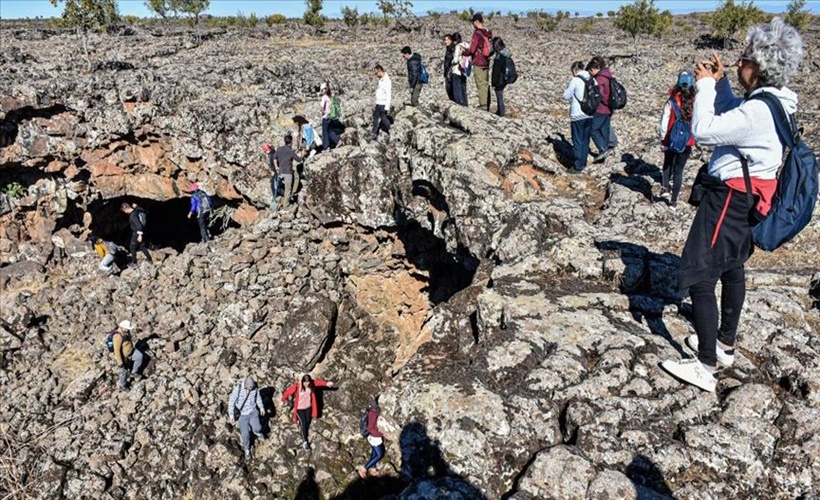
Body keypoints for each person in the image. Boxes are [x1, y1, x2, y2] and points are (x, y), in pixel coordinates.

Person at [661, 18, 804, 392]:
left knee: (700, 270)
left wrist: (705, 84)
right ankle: (725, 344)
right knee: (732, 266)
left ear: (758, 67)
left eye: (743, 58)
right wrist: (722, 84)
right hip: (751, 200)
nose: (739, 62)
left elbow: (706, 130)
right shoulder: (774, 103)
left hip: (730, 198)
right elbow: (732, 116)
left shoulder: (758, 112)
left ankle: (706, 363)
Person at [658, 70, 697, 208]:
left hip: (671, 138)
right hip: (687, 141)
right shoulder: (695, 102)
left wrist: (663, 138)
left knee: (667, 164)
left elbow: (664, 121)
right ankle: (674, 202)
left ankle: (665, 188)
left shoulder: (672, 100)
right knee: (679, 171)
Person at [281, 374, 333, 451]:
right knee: (304, 423)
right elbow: (288, 391)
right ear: (302, 382)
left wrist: (327, 384)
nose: (307, 384)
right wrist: (283, 399)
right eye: (305, 382)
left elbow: (318, 382)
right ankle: (305, 442)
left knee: (307, 422)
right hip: (299, 409)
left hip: (308, 407)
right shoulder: (297, 386)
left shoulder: (311, 384)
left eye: (308, 382)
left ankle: (303, 429)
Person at [562, 61, 594, 173]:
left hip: (577, 114)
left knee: (577, 141)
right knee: (585, 140)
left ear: (574, 70)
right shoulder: (592, 79)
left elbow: (566, 96)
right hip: (590, 114)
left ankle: (577, 166)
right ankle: (583, 162)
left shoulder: (575, 80)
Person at [228, 376, 266, 461]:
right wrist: (231, 416)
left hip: (253, 411)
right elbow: (231, 402)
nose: (250, 390)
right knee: (245, 435)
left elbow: (257, 397)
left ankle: (258, 433)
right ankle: (247, 449)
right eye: (248, 388)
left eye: (251, 388)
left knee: (258, 428)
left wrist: (261, 407)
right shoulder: (237, 389)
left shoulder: (255, 387)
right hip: (242, 415)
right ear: (245, 385)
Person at [463, 13, 494, 111]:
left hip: (478, 61)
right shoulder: (487, 32)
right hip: (486, 60)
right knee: (485, 83)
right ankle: (487, 103)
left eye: (473, 22)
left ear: (476, 22)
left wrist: (463, 52)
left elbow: (472, 50)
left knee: (480, 83)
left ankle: (483, 105)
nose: (472, 24)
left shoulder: (477, 34)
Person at [586, 57, 614, 162]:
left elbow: (600, 95)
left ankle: (602, 149)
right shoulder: (608, 75)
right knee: (604, 130)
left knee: (593, 129)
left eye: (591, 71)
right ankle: (604, 154)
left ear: (595, 68)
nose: (590, 74)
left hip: (601, 109)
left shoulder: (599, 79)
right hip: (608, 109)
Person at [107, 320, 144, 391]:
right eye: (127, 328)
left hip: (131, 351)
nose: (128, 330)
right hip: (123, 356)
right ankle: (123, 385)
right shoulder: (117, 336)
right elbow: (117, 351)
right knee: (123, 371)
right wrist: (120, 362)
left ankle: (134, 372)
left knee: (139, 356)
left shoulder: (125, 332)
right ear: (122, 327)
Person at [273, 135, 304, 209]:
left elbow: (274, 158)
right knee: (288, 189)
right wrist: (303, 152)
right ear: (291, 142)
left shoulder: (279, 149)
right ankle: (286, 204)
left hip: (280, 172)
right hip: (287, 173)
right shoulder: (290, 151)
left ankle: (284, 198)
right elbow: (299, 159)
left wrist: (276, 167)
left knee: (291, 179)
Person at [357, 398, 385, 479]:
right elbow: (370, 428)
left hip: (373, 436)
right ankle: (364, 469)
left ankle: (373, 468)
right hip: (374, 436)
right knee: (379, 454)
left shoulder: (373, 410)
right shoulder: (373, 412)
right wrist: (381, 433)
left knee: (374, 453)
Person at [366, 64, 392, 142]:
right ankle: (374, 133)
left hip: (383, 104)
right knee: (376, 118)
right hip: (379, 102)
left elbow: (388, 94)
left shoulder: (387, 81)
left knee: (383, 118)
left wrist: (387, 106)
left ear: (380, 71)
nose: (375, 75)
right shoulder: (381, 80)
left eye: (376, 73)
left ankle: (390, 129)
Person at [490, 38, 511, 117]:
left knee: (499, 95)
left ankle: (501, 113)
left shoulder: (500, 56)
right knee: (499, 94)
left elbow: (497, 71)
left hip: (500, 79)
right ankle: (500, 111)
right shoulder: (505, 54)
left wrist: (494, 82)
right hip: (504, 78)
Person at [450, 32, 469, 107]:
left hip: (457, 70)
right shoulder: (466, 45)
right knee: (463, 88)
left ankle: (459, 103)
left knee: (457, 88)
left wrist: (452, 61)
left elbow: (455, 60)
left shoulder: (458, 46)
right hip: (464, 70)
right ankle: (465, 103)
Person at [319, 83, 338, 150]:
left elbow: (321, 106)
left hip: (325, 117)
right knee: (330, 131)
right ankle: (337, 139)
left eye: (322, 90)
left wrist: (323, 112)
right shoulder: (329, 97)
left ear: (324, 90)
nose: (321, 91)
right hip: (330, 116)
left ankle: (326, 146)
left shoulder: (324, 97)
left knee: (325, 132)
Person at [263, 142, 281, 210]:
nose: (265, 152)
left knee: (274, 186)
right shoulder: (273, 153)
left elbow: (274, 164)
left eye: (265, 150)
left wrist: (273, 171)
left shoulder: (272, 155)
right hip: (277, 171)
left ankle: (276, 199)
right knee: (275, 185)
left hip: (277, 172)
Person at [443, 34, 455, 102]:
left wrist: (448, 71)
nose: (445, 41)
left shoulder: (452, 49)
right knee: (448, 88)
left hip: (450, 72)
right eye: (445, 40)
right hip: (447, 71)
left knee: (450, 88)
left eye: (447, 40)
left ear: (451, 40)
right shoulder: (448, 49)